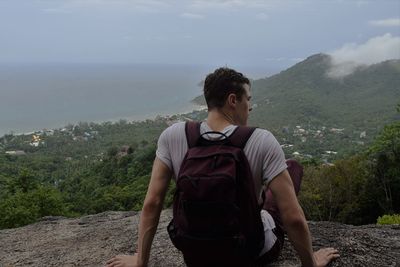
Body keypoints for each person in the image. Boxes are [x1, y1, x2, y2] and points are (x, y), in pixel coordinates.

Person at [106, 67, 340, 267]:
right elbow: (293, 217)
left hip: (195, 254)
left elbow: (152, 203)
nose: (250, 107)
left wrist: (140, 261)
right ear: (232, 100)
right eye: (248, 99)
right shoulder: (261, 140)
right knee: (292, 168)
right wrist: (311, 262)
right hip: (248, 253)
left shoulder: (173, 135)